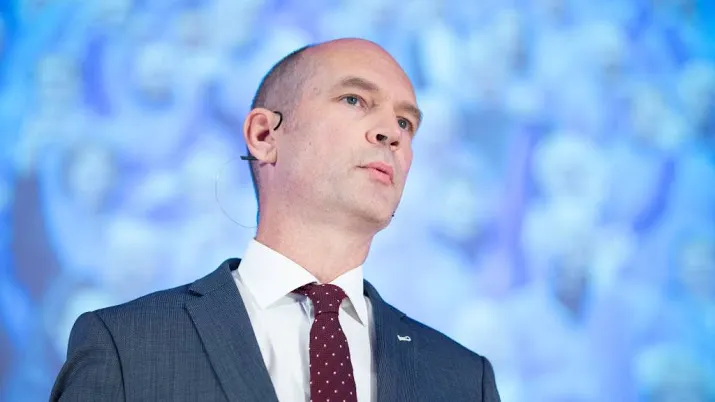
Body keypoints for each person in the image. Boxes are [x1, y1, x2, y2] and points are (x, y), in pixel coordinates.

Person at [50, 38, 501, 402]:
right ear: (265, 135)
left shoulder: (463, 379)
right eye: (354, 99)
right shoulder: (128, 346)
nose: (391, 133)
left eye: (406, 123)